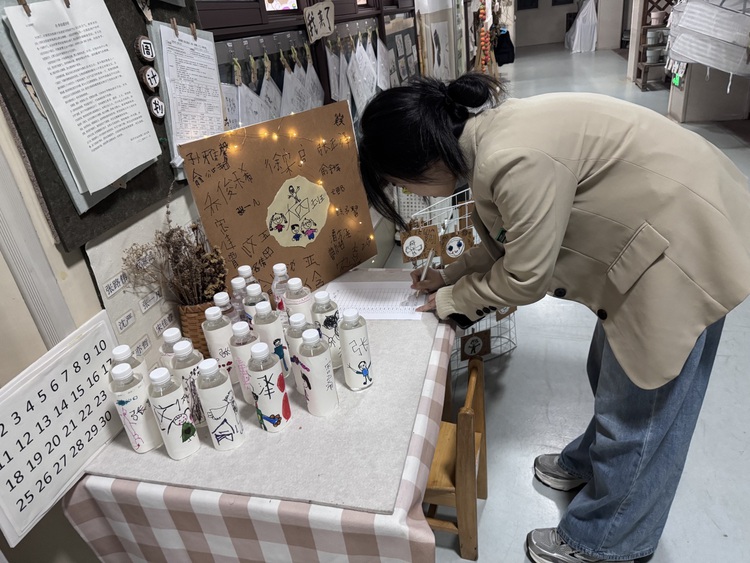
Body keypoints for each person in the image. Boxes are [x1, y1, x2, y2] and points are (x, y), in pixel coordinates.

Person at [358, 73, 750, 563]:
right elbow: (510, 240)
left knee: (641, 408)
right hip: (657, 228)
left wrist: (452, 300)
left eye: (400, 183)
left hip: (686, 243)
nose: (409, 193)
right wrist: (449, 275)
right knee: (608, 371)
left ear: (424, 160)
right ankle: (592, 464)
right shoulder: (487, 140)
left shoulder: (510, 159)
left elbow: (525, 278)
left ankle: (609, 542)